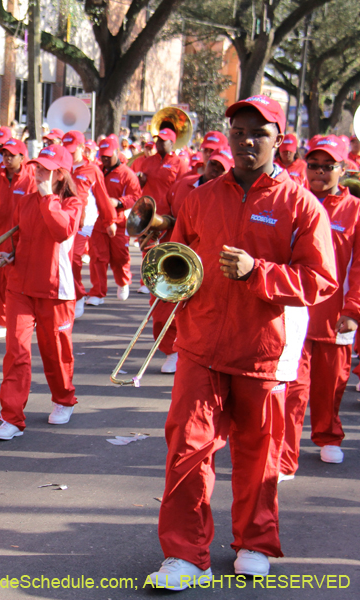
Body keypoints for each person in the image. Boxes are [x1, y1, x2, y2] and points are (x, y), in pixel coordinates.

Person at [147, 96, 337, 590]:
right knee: (187, 449)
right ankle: (186, 555)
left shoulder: (300, 204)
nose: (247, 141)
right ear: (228, 137)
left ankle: (254, 541)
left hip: (262, 351)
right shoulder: (201, 196)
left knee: (258, 454)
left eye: (259, 133)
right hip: (202, 346)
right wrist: (165, 308)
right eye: (239, 132)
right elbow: (179, 262)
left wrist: (261, 274)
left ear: (279, 139)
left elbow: (320, 280)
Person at [280, 136, 360, 480]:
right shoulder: (294, 202)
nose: (319, 172)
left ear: (343, 169)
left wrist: (353, 310)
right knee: (294, 389)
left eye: (328, 166)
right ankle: (285, 455)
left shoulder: (355, 210)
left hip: (335, 317)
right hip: (297, 313)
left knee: (331, 386)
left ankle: (328, 435)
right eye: (313, 165)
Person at [0, 144, 83, 440]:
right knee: (16, 350)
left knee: (55, 352)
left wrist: (47, 196)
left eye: (45, 167)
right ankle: (12, 418)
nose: (38, 171)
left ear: (60, 173)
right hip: (20, 286)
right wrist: (9, 257)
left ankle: (64, 398)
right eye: (37, 166)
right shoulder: (26, 201)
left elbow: (61, 231)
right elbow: (21, 240)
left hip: (56, 289)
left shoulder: (72, 203)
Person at [135, 127, 188, 372]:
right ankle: (169, 347)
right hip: (152, 226)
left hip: (172, 227)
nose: (159, 144)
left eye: (164, 141)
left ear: (173, 143)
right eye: (157, 140)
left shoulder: (181, 163)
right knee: (156, 291)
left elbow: (184, 196)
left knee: (174, 294)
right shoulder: (146, 161)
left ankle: (177, 349)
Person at [0, 138, 34, 339]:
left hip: (22, 239)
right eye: (5, 154)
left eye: (12, 155)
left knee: (20, 282)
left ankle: (21, 318)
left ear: (22, 157)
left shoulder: (31, 181)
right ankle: (1, 321)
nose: (8, 158)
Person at [61, 130, 117, 317]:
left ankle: (78, 296)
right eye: (66, 149)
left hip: (84, 223)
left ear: (82, 148)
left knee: (75, 259)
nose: (69, 153)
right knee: (59, 261)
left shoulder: (92, 170)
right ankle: (60, 300)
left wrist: (110, 220)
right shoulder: (60, 167)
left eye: (72, 150)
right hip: (61, 220)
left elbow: (102, 197)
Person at [90, 134, 141, 303]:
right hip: (99, 221)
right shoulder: (97, 169)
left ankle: (123, 281)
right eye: (102, 155)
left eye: (108, 155)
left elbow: (136, 197)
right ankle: (98, 292)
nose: (104, 158)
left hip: (119, 221)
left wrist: (119, 202)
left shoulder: (127, 174)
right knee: (98, 257)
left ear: (117, 153)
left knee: (120, 256)